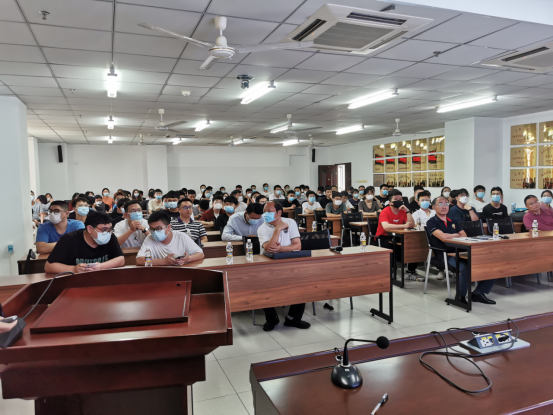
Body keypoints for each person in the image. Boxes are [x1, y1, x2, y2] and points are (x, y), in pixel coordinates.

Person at [427, 197, 496, 304]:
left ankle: (478, 293)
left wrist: (451, 235)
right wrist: (455, 234)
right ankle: (460, 297)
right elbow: (443, 237)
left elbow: (464, 235)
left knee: (492, 265)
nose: (444, 206)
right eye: (440, 204)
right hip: (446, 255)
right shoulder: (431, 222)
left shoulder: (453, 221)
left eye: (446, 204)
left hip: (462, 252)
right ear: (434, 207)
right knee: (466, 268)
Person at [257, 202, 310, 331]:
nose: (265, 214)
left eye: (268, 211)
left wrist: (281, 249)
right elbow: (269, 249)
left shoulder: (290, 222)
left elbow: (297, 246)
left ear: (279, 212)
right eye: (264, 211)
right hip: (268, 264)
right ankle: (272, 319)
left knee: (303, 283)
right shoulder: (262, 228)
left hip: (289, 262)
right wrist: (277, 229)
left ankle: (293, 319)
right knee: (263, 287)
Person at [44, 212, 125, 274]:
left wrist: (101, 266)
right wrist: (74, 269)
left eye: (110, 229)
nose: (107, 233)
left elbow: (121, 260)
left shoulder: (110, 237)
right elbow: (49, 266)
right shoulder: (68, 240)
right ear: (89, 229)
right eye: (104, 229)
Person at [376, 190, 419, 280]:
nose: (399, 201)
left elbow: (411, 224)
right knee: (391, 248)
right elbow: (386, 226)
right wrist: (404, 226)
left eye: (400, 199)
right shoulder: (385, 211)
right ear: (390, 202)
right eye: (396, 199)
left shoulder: (403, 211)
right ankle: (391, 270)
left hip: (399, 235)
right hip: (385, 236)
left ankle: (411, 271)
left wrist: (407, 211)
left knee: (413, 247)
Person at [136, 211, 204, 266]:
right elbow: (139, 260)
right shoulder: (150, 239)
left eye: (158, 228)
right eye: (152, 229)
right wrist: (163, 261)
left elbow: (200, 254)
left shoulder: (181, 237)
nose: (155, 232)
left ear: (169, 227)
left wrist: (189, 259)